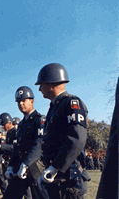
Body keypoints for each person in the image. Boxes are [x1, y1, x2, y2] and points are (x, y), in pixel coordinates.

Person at [35, 63, 90, 198]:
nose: (40, 89)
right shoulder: (55, 107)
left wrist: (55, 167)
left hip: (67, 179)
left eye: (41, 84)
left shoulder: (71, 102)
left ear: (51, 84)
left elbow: (77, 139)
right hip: (57, 177)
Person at [4, 86, 45, 199]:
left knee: (41, 196)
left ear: (31, 101)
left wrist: (26, 163)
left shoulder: (39, 119)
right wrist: (11, 166)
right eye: (18, 101)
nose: (21, 104)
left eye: (23, 100)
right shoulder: (21, 124)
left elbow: (39, 143)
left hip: (35, 166)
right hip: (20, 166)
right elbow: (17, 147)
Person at [0, 113, 17, 197]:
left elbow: (15, 148)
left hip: (16, 162)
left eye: (3, 125)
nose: (2, 127)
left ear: (9, 123)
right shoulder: (9, 133)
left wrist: (1, 147)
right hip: (9, 162)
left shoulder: (15, 132)